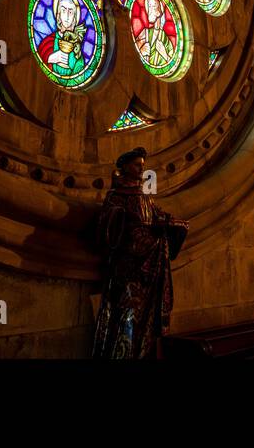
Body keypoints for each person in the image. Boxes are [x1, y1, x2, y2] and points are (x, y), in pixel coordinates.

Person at [92, 148, 188, 359]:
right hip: (128, 265)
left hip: (149, 263)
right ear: (125, 167)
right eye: (137, 165)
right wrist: (130, 228)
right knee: (125, 312)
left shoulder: (143, 193)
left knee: (145, 316)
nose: (141, 168)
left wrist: (172, 223)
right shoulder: (117, 196)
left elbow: (155, 214)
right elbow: (109, 225)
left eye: (143, 165)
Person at [37, 0, 87, 78]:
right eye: (63, 10)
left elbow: (80, 73)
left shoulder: (77, 47)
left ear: (75, 18)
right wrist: (51, 58)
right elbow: (40, 56)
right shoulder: (49, 41)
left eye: (70, 12)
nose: (67, 16)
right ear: (58, 15)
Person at [134, 0, 174, 69]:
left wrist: (164, 54)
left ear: (159, 10)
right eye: (149, 6)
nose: (151, 9)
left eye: (154, 6)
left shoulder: (165, 38)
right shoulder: (145, 33)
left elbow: (172, 64)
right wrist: (141, 50)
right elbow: (132, 51)